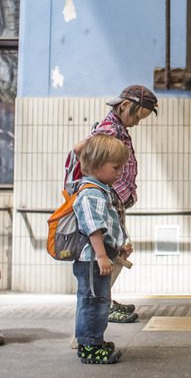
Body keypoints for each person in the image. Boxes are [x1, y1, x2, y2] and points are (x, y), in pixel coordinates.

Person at [66, 85, 159, 326]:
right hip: (109, 199)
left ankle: (103, 300)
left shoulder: (115, 128)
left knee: (116, 249)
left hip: (112, 197)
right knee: (109, 255)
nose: (137, 123)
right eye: (137, 116)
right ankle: (100, 305)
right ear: (125, 106)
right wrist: (104, 187)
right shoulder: (109, 129)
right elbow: (79, 149)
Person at [72, 134, 132, 364]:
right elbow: (93, 228)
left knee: (99, 301)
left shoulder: (101, 190)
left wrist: (118, 249)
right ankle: (89, 345)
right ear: (96, 165)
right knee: (92, 300)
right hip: (92, 260)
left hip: (99, 257)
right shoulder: (90, 193)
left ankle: (95, 339)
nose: (119, 173)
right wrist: (101, 255)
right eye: (116, 167)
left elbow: (109, 226)